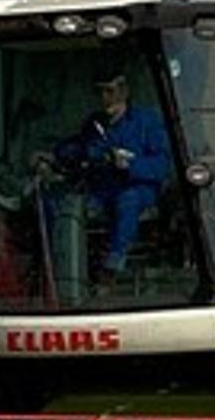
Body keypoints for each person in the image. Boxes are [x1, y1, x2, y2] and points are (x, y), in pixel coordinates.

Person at [46, 70, 173, 277]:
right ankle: (59, 263)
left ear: (123, 92)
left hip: (138, 188)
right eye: (100, 92)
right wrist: (52, 156)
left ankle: (114, 262)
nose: (105, 98)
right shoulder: (95, 124)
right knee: (64, 203)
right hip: (101, 189)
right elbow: (78, 146)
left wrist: (130, 165)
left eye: (110, 91)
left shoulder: (146, 121)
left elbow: (162, 165)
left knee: (127, 200)